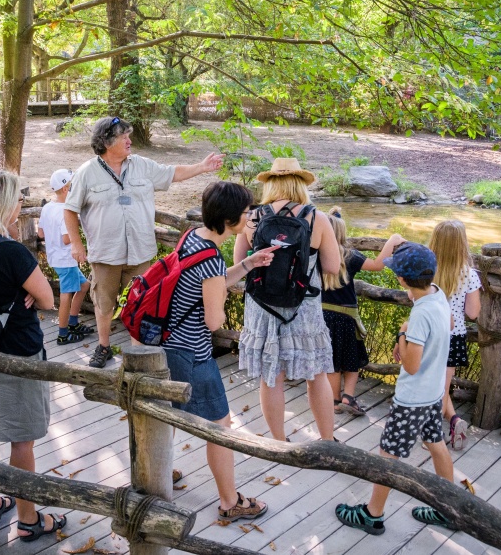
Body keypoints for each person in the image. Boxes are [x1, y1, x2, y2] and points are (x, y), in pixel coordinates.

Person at [64, 116, 224, 368]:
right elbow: (69, 210)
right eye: (124, 136)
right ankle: (103, 346)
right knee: (104, 304)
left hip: (140, 253)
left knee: (142, 304)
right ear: (107, 142)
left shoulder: (141, 165)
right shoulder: (86, 173)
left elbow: (172, 174)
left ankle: (139, 351)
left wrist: (201, 167)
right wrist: (76, 244)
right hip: (105, 254)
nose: (130, 140)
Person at [165, 181, 276, 521]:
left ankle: (157, 472)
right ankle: (230, 502)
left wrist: (248, 264)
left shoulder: (193, 237)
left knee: (165, 412)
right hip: (192, 351)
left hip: (166, 345)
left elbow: (208, 281)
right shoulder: (211, 257)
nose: (250, 216)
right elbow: (214, 322)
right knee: (219, 427)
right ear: (230, 219)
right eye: (246, 212)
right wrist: (223, 303)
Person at [0, 171, 63, 540]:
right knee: (22, 438)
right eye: (17, 199)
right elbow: (49, 299)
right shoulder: (10, 251)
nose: (21, 205)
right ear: (5, 205)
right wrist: (33, 294)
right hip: (17, 351)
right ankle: (28, 519)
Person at [335, 242, 456, 534]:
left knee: (388, 455)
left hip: (412, 399)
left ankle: (372, 514)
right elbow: (448, 325)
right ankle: (450, 511)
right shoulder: (437, 295)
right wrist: (410, 331)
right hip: (433, 393)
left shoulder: (419, 315)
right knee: (437, 446)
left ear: (401, 279)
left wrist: (403, 334)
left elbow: (411, 366)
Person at [233, 158, 339, 442]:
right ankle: (327, 441)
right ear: (300, 184)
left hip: (262, 305)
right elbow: (332, 267)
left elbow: (239, 262)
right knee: (316, 374)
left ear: (269, 184)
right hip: (302, 305)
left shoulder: (253, 218)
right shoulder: (317, 218)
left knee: (271, 375)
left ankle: (279, 442)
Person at [322, 207, 403, 416]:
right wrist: (392, 240)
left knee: (332, 362)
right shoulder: (350, 255)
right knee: (351, 358)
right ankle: (348, 396)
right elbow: (377, 265)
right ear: (342, 233)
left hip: (322, 317)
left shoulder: (315, 256)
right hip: (347, 317)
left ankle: (333, 401)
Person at [428, 219, 481, 450]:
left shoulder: (427, 270)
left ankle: (442, 428)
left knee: (432, 384)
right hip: (454, 336)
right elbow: (473, 313)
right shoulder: (469, 275)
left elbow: (413, 298)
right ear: (462, 244)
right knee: (443, 386)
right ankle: (442, 429)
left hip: (428, 333)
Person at [38, 169, 94, 345]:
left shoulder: (47, 207)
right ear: (65, 189)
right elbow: (66, 238)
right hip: (66, 259)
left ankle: (73, 323)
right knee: (66, 294)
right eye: (73, 186)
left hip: (55, 258)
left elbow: (40, 233)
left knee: (84, 285)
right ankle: (63, 334)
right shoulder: (66, 211)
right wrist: (83, 230)